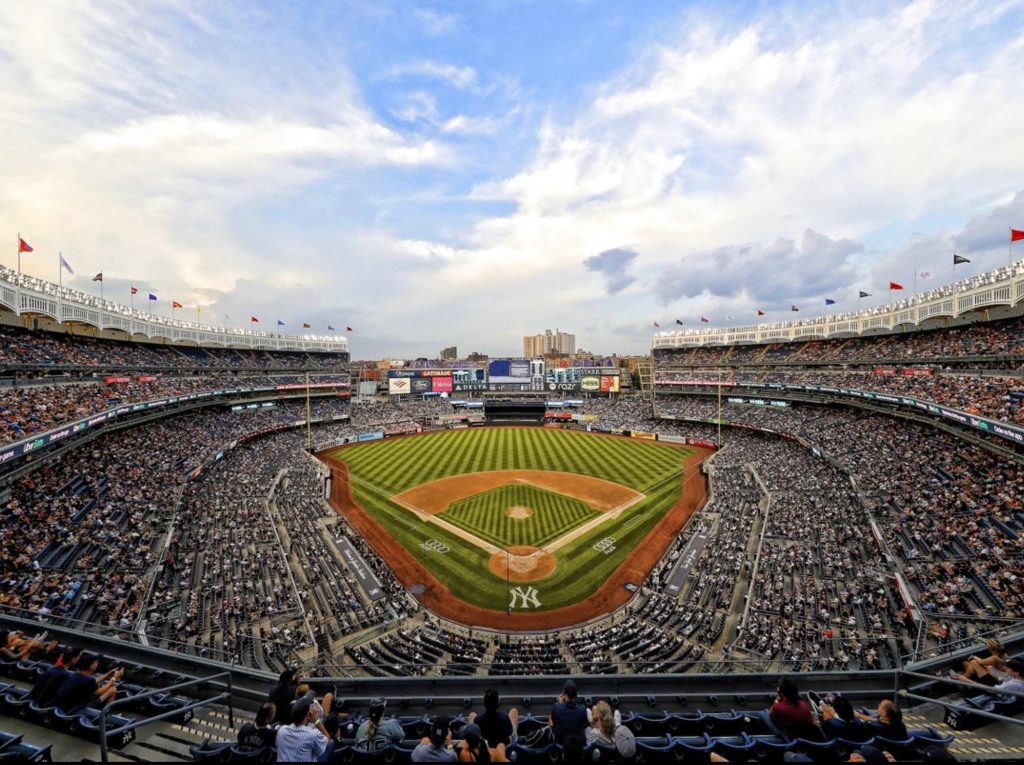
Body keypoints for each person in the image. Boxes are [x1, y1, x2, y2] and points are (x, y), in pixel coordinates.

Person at [50, 653, 122, 713]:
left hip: (64, 704)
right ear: (91, 666)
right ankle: (104, 714)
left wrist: (107, 674)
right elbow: (99, 692)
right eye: (96, 663)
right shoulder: (89, 681)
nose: (97, 664)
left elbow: (92, 681)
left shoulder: (74, 675)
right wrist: (114, 678)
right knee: (113, 689)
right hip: (77, 707)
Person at [274, 694, 332, 763]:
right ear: (308, 715)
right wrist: (317, 721)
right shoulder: (312, 734)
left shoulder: (281, 730)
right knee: (332, 743)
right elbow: (328, 742)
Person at [549, 679, 588, 748]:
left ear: (564, 694)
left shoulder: (556, 707)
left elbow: (552, 723)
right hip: (578, 750)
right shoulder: (583, 709)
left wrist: (559, 704)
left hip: (561, 748)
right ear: (576, 694)